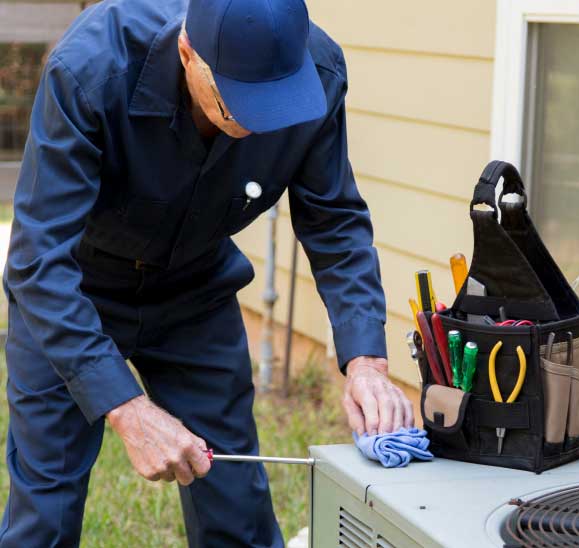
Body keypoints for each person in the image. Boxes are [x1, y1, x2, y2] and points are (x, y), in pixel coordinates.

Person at [0, 0, 413, 545]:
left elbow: (334, 221)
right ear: (187, 52)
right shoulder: (90, 70)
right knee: (45, 513)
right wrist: (126, 407)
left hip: (195, 288)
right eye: (234, 103)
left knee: (234, 504)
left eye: (272, 105)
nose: (250, 124)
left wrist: (365, 360)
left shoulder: (320, 73)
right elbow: (38, 258)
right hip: (73, 289)